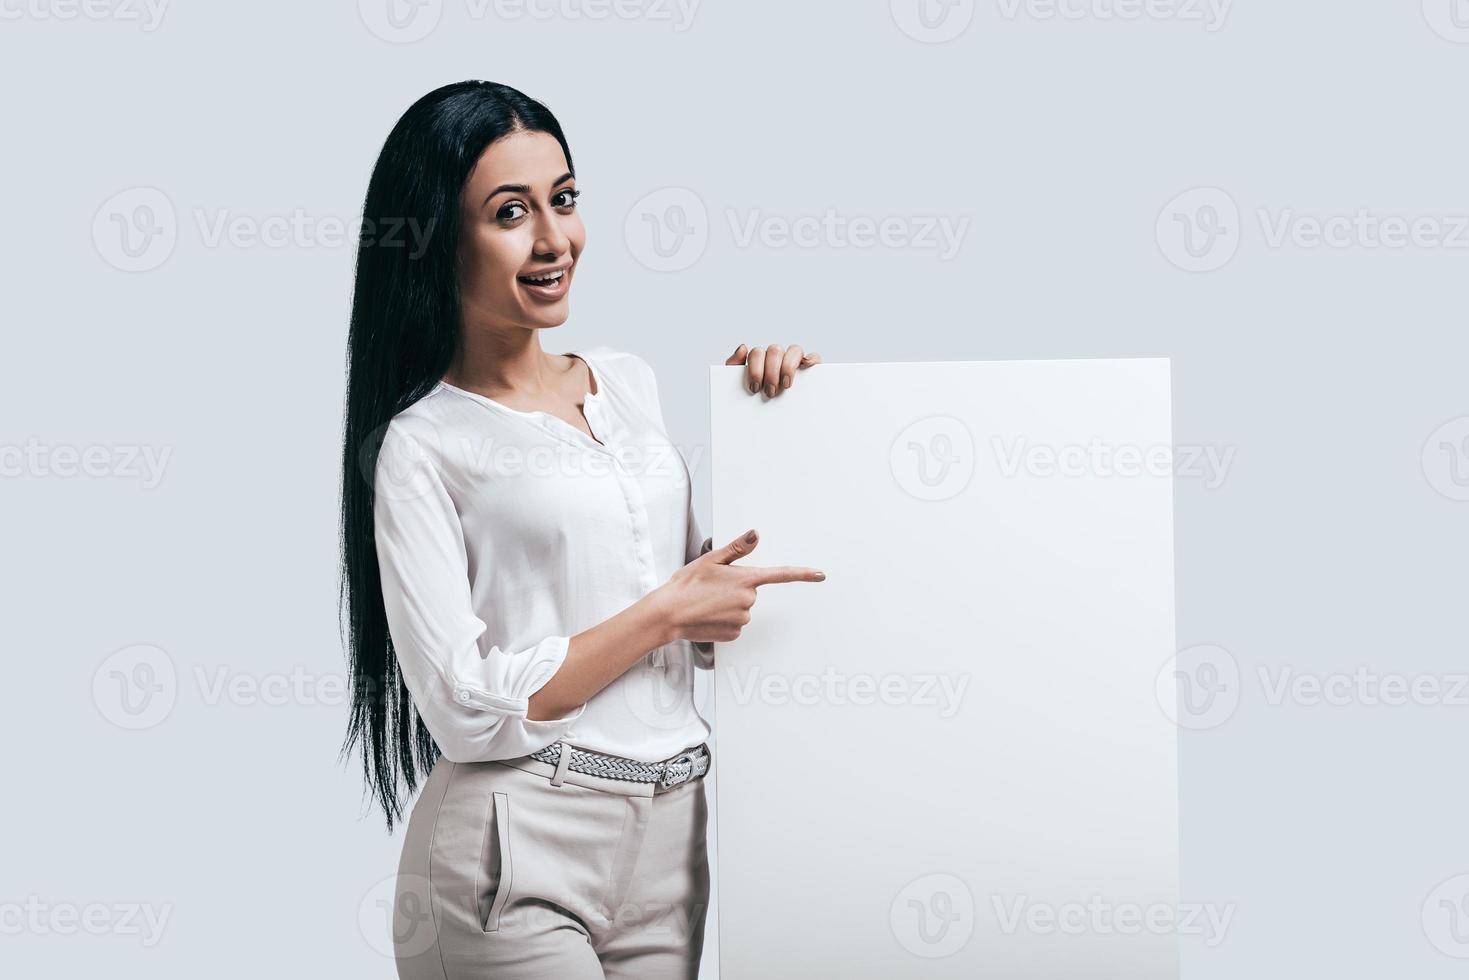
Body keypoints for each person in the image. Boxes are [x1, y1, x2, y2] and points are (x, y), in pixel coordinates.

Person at [338, 79, 826, 979]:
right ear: (437, 236)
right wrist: (666, 614)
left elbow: (717, 615)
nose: (554, 239)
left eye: (562, 200)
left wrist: (788, 420)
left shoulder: (628, 382)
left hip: (673, 840)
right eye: (510, 212)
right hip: (513, 848)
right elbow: (464, 707)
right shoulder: (420, 445)